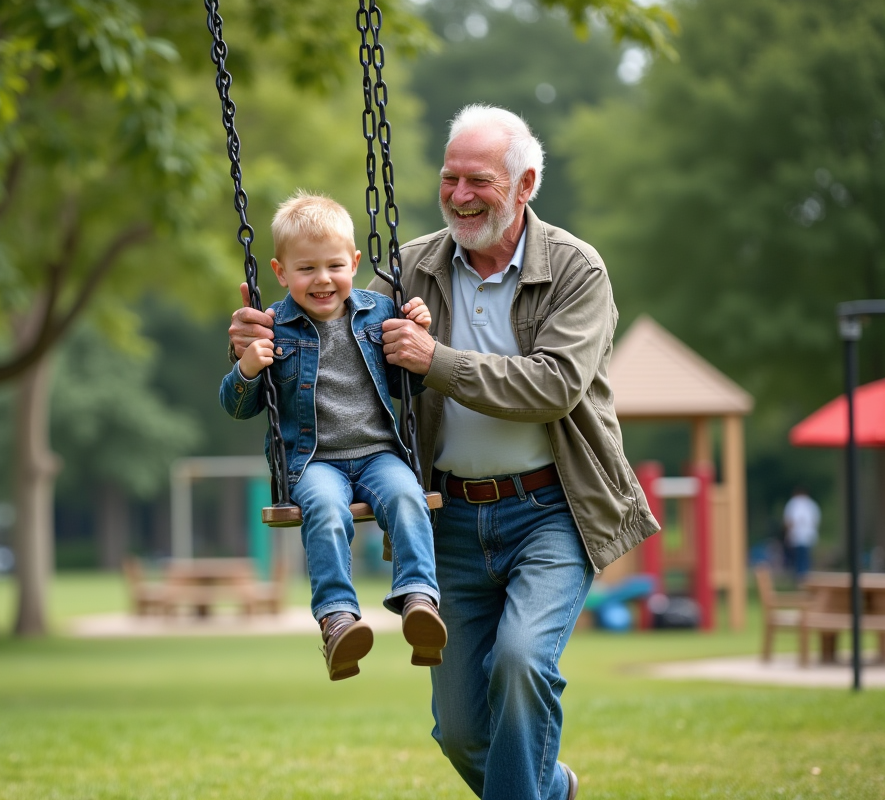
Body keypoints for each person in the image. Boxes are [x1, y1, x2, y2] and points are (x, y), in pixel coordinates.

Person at [229, 106, 658, 800]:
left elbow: (555, 385)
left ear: (525, 184)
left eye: (478, 180)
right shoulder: (411, 269)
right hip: (449, 517)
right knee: (460, 730)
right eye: (449, 177)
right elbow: (332, 333)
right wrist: (262, 336)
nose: (459, 194)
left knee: (522, 664)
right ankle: (552, 790)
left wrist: (437, 361)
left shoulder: (577, 270)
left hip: (553, 509)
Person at [220, 192, 447, 682]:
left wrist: (417, 334)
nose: (322, 280)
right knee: (324, 511)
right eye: (306, 270)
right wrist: (247, 368)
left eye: (334, 266)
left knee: (409, 497)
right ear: (280, 272)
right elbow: (237, 407)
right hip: (314, 462)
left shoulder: (378, 312)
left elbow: (408, 383)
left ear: (355, 263)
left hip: (379, 454)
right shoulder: (273, 327)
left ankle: (419, 603)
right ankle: (338, 619)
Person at [783, 487, 820, 581]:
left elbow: (789, 521)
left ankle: (799, 579)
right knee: (806, 558)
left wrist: (788, 534)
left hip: (796, 536)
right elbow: (815, 521)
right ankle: (805, 578)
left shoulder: (793, 503)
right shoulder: (811, 504)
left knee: (797, 559)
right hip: (808, 536)